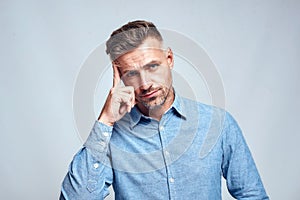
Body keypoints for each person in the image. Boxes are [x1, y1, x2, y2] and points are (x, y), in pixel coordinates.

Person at [60, 20, 269, 199]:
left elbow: (253, 196)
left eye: (152, 67)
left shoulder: (218, 124)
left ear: (169, 59)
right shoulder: (111, 136)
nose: (145, 84)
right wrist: (105, 120)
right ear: (120, 76)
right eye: (132, 73)